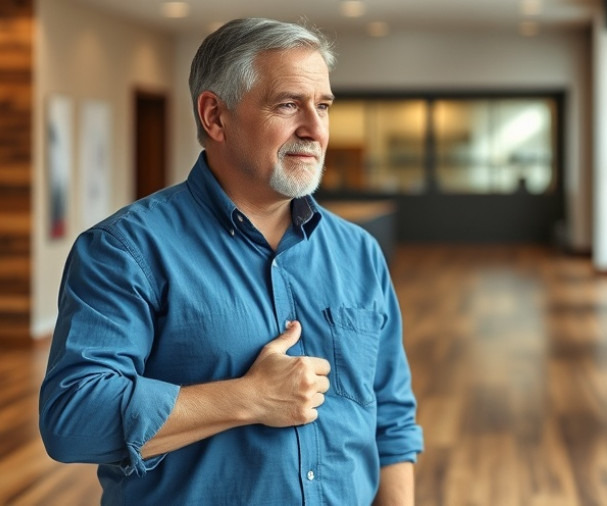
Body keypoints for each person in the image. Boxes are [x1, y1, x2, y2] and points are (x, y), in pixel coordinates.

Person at [39, 17, 423, 505]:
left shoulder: (358, 252)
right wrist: (249, 398)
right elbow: (73, 419)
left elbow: (391, 417)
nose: (315, 129)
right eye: (288, 104)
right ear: (215, 116)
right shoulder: (125, 250)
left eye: (323, 106)